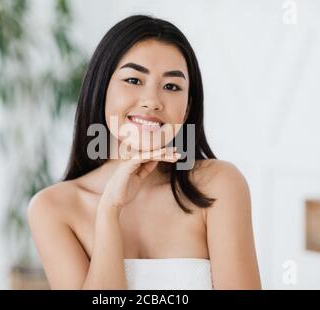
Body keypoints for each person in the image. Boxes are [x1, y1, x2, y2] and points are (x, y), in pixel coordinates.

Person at [28, 15, 261, 290]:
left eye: (172, 86)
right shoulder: (52, 208)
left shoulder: (220, 185)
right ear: (101, 89)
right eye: (133, 80)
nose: (152, 101)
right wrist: (109, 210)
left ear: (187, 108)